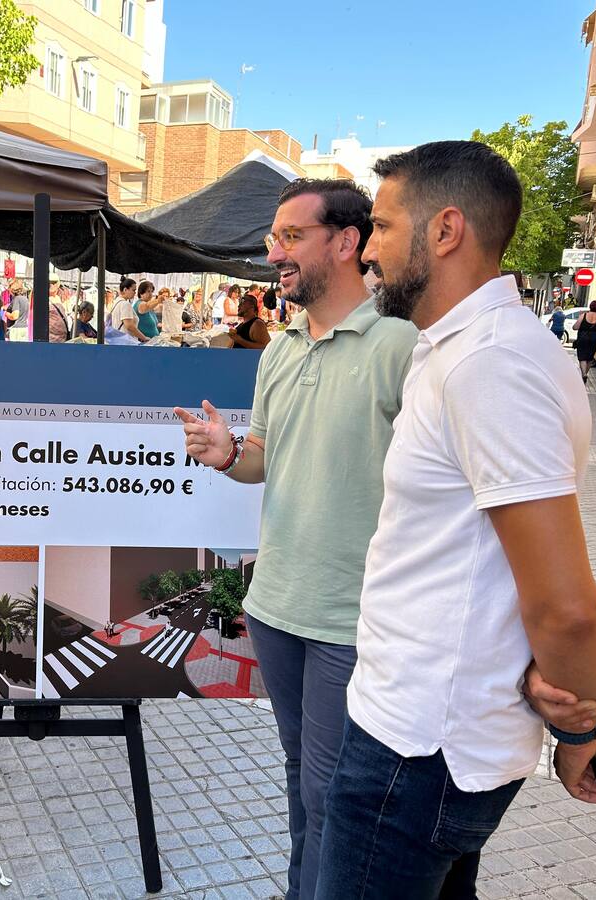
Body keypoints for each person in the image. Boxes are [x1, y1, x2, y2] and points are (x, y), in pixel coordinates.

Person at [317, 142, 596, 898]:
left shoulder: (489, 362)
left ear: (445, 230)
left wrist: (584, 726)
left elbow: (566, 604)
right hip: (427, 739)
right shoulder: (468, 348)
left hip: (417, 750)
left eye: (384, 227)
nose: (367, 250)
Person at [174, 178, 417, 900]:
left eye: (290, 237)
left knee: (331, 792)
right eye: (272, 237)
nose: (272, 251)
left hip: (353, 619)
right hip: (275, 606)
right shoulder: (280, 348)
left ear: (347, 242)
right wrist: (226, 454)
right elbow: (262, 458)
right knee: (300, 779)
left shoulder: (400, 343)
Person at [107, 277, 148, 344]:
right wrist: (144, 338)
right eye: (133, 290)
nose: (135, 293)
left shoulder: (116, 302)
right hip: (126, 343)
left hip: (117, 341)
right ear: (125, 289)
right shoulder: (125, 304)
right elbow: (129, 326)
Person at [575, 300, 596, 383]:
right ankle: (585, 373)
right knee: (590, 357)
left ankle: (584, 374)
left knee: (582, 356)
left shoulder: (584, 315)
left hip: (583, 337)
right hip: (595, 338)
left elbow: (575, 327)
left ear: (590, 306)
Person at [48, 277, 72, 343]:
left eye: (54, 283)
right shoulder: (43, 299)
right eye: (49, 283)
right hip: (52, 338)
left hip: (62, 338)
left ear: (58, 284)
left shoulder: (59, 298)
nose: (51, 285)